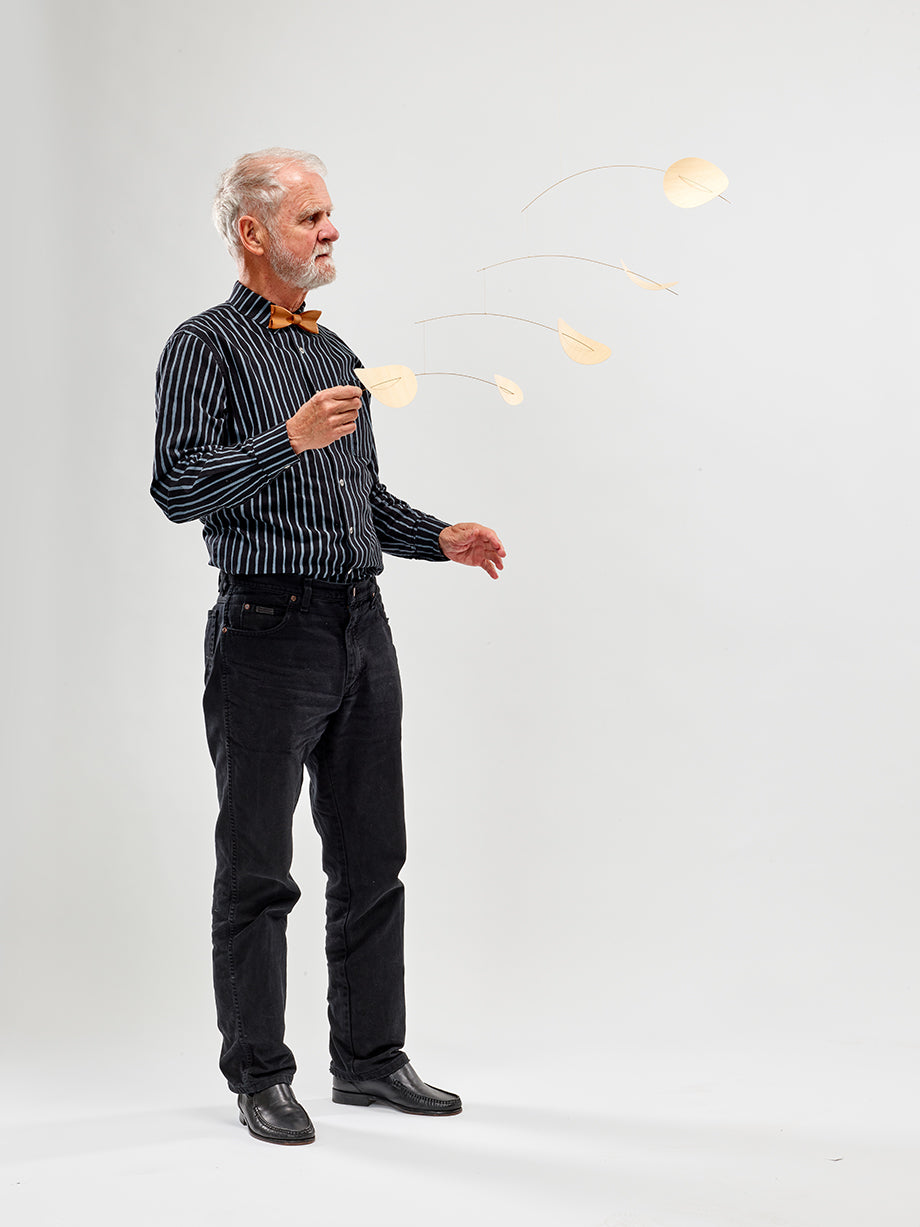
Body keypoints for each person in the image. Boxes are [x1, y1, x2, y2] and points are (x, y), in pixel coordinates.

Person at [151, 148, 505, 1146]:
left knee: (372, 856)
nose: (331, 230)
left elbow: (364, 498)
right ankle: (260, 1075)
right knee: (258, 868)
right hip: (265, 631)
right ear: (252, 231)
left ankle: (371, 1060)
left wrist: (439, 537)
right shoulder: (203, 346)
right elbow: (177, 487)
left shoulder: (336, 351)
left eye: (328, 214)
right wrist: (288, 439)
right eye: (310, 216)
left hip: (361, 625)